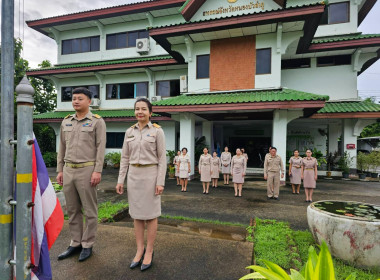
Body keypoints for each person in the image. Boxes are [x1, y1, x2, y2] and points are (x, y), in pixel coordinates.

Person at [115, 98, 166, 271]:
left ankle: (150, 251)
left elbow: (162, 159)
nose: (140, 112)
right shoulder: (129, 132)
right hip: (134, 176)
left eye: (144, 109)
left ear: (150, 112)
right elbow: (124, 158)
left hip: (151, 175)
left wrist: (160, 182)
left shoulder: (157, 131)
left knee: (151, 215)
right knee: (136, 214)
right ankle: (139, 249)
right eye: (137, 109)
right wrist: (121, 179)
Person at [56, 87, 106, 262]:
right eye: (74, 98)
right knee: (72, 209)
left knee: (90, 210)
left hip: (87, 170)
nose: (76, 101)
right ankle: (75, 242)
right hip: (68, 170)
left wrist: (97, 171)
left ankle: (87, 244)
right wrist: (60, 170)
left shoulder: (97, 121)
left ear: (89, 101)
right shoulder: (66, 121)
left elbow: (101, 148)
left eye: (80, 98)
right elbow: (61, 147)